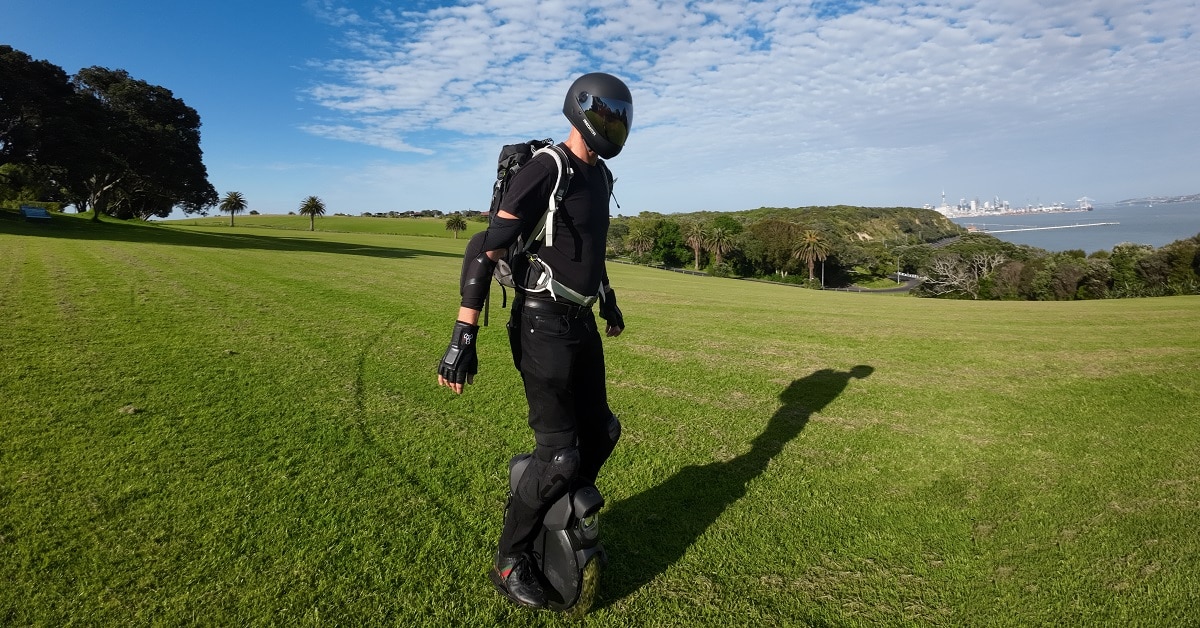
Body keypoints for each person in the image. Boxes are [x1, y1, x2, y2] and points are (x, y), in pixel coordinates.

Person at [436, 72, 633, 609]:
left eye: (622, 115)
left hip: (582, 320)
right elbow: (485, 246)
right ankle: (510, 559)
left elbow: (588, 246)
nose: (616, 124)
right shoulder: (548, 167)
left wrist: (608, 297)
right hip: (542, 322)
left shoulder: (601, 177)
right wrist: (463, 334)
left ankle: (551, 501)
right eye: (609, 114)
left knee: (604, 432)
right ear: (583, 109)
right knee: (562, 456)